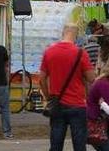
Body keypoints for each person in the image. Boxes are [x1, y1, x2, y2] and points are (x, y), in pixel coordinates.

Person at [40, 23, 97, 151]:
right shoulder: (81, 53)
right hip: (77, 104)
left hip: (57, 103)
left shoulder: (49, 52)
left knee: (56, 143)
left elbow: (42, 79)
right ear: (76, 35)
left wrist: (48, 96)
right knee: (79, 144)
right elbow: (91, 78)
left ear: (63, 33)